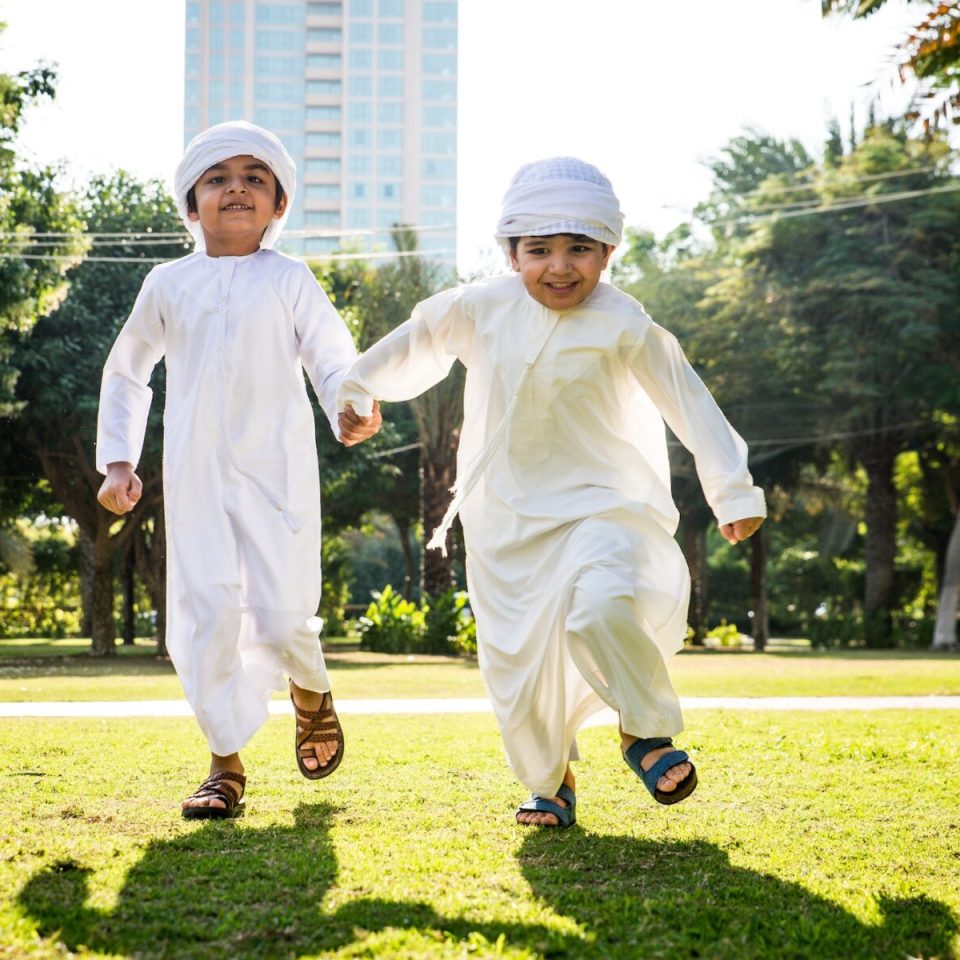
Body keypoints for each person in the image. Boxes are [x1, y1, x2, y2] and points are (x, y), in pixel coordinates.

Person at [337, 157, 765, 828]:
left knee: (599, 606)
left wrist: (733, 492)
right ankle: (551, 781)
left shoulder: (626, 322)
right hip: (505, 519)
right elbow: (414, 342)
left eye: (580, 250)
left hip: (602, 505)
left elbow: (689, 401)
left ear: (608, 251)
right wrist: (355, 388)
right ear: (512, 254)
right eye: (539, 250)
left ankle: (643, 731)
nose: (560, 267)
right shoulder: (479, 307)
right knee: (520, 668)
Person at [96, 120, 381, 819]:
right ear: (192, 206)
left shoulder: (289, 278)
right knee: (205, 618)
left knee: (285, 615)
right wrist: (118, 461)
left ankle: (309, 691)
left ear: (279, 205)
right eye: (218, 178)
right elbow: (129, 370)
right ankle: (225, 766)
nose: (237, 189)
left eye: (255, 177)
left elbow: (331, 352)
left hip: (277, 472)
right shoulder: (169, 282)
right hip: (194, 477)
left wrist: (349, 401)